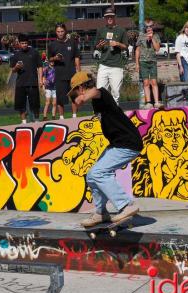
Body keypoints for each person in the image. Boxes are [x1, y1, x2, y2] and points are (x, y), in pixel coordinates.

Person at [67, 71, 143, 226]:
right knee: (91, 176)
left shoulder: (101, 94)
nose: (76, 99)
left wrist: (83, 97)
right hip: (118, 143)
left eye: (76, 93)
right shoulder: (97, 102)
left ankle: (126, 205)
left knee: (99, 172)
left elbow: (95, 91)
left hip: (128, 143)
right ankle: (101, 212)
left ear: (81, 88)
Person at [95, 8, 129, 104]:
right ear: (105, 18)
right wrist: (99, 46)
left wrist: (117, 44)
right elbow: (96, 47)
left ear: (115, 17)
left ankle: (115, 114)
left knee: (115, 93)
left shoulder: (121, 30)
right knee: (100, 91)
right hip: (103, 65)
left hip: (116, 66)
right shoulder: (100, 30)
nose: (109, 18)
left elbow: (126, 46)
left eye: (111, 16)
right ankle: (101, 114)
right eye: (107, 17)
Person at [48, 23, 81, 118]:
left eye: (62, 31)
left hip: (72, 75)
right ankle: (61, 118)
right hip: (59, 75)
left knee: (74, 97)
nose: (60, 33)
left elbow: (77, 58)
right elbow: (49, 59)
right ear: (55, 32)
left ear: (65, 31)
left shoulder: (72, 42)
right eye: (58, 31)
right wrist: (55, 58)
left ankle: (74, 116)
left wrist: (79, 73)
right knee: (60, 99)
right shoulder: (52, 45)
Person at [10, 34, 42, 124]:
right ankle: (24, 122)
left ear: (28, 43)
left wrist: (40, 79)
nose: (24, 45)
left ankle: (36, 120)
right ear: (19, 43)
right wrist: (16, 67)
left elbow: (40, 66)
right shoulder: (16, 55)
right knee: (21, 104)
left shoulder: (34, 52)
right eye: (22, 43)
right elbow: (13, 70)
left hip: (32, 82)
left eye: (25, 43)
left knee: (35, 103)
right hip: (21, 83)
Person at [135, 19, 164, 109]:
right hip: (143, 62)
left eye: (150, 26)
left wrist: (152, 39)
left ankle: (156, 102)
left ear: (152, 27)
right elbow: (137, 50)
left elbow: (157, 49)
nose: (148, 28)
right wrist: (137, 63)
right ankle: (148, 102)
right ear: (145, 28)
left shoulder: (156, 36)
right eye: (147, 27)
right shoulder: (141, 36)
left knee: (154, 82)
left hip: (152, 61)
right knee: (146, 82)